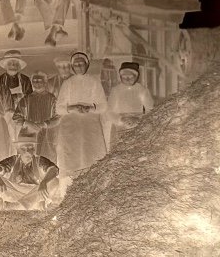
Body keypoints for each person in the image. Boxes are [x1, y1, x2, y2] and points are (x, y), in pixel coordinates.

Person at [54, 51, 108, 179]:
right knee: (73, 157)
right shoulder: (67, 83)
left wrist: (90, 108)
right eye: (76, 65)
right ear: (72, 67)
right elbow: (59, 109)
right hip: (71, 127)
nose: (79, 67)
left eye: (82, 64)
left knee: (91, 156)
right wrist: (73, 107)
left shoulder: (94, 82)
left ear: (87, 65)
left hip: (90, 126)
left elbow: (103, 106)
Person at [0, 128, 63, 211]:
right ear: (18, 149)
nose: (27, 151)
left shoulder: (40, 160)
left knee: (54, 181)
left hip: (35, 191)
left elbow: (54, 169)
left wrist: (43, 183)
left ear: (34, 148)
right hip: (16, 192)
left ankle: (18, 205)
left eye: (30, 147)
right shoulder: (13, 159)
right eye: (23, 148)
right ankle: (34, 205)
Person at [105, 61, 155, 150]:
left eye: (130, 77)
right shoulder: (116, 90)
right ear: (120, 77)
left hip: (137, 124)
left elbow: (150, 109)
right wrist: (121, 119)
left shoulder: (142, 90)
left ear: (136, 77)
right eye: (124, 77)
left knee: (135, 149)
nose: (127, 79)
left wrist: (139, 120)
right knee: (120, 149)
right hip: (120, 126)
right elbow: (109, 111)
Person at [12, 71, 59, 162]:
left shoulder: (52, 98)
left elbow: (57, 116)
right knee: (29, 157)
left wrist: (44, 124)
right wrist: (28, 123)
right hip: (29, 133)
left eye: (40, 81)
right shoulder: (27, 99)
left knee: (46, 158)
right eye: (35, 81)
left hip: (46, 132)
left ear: (45, 82)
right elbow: (16, 117)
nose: (37, 83)